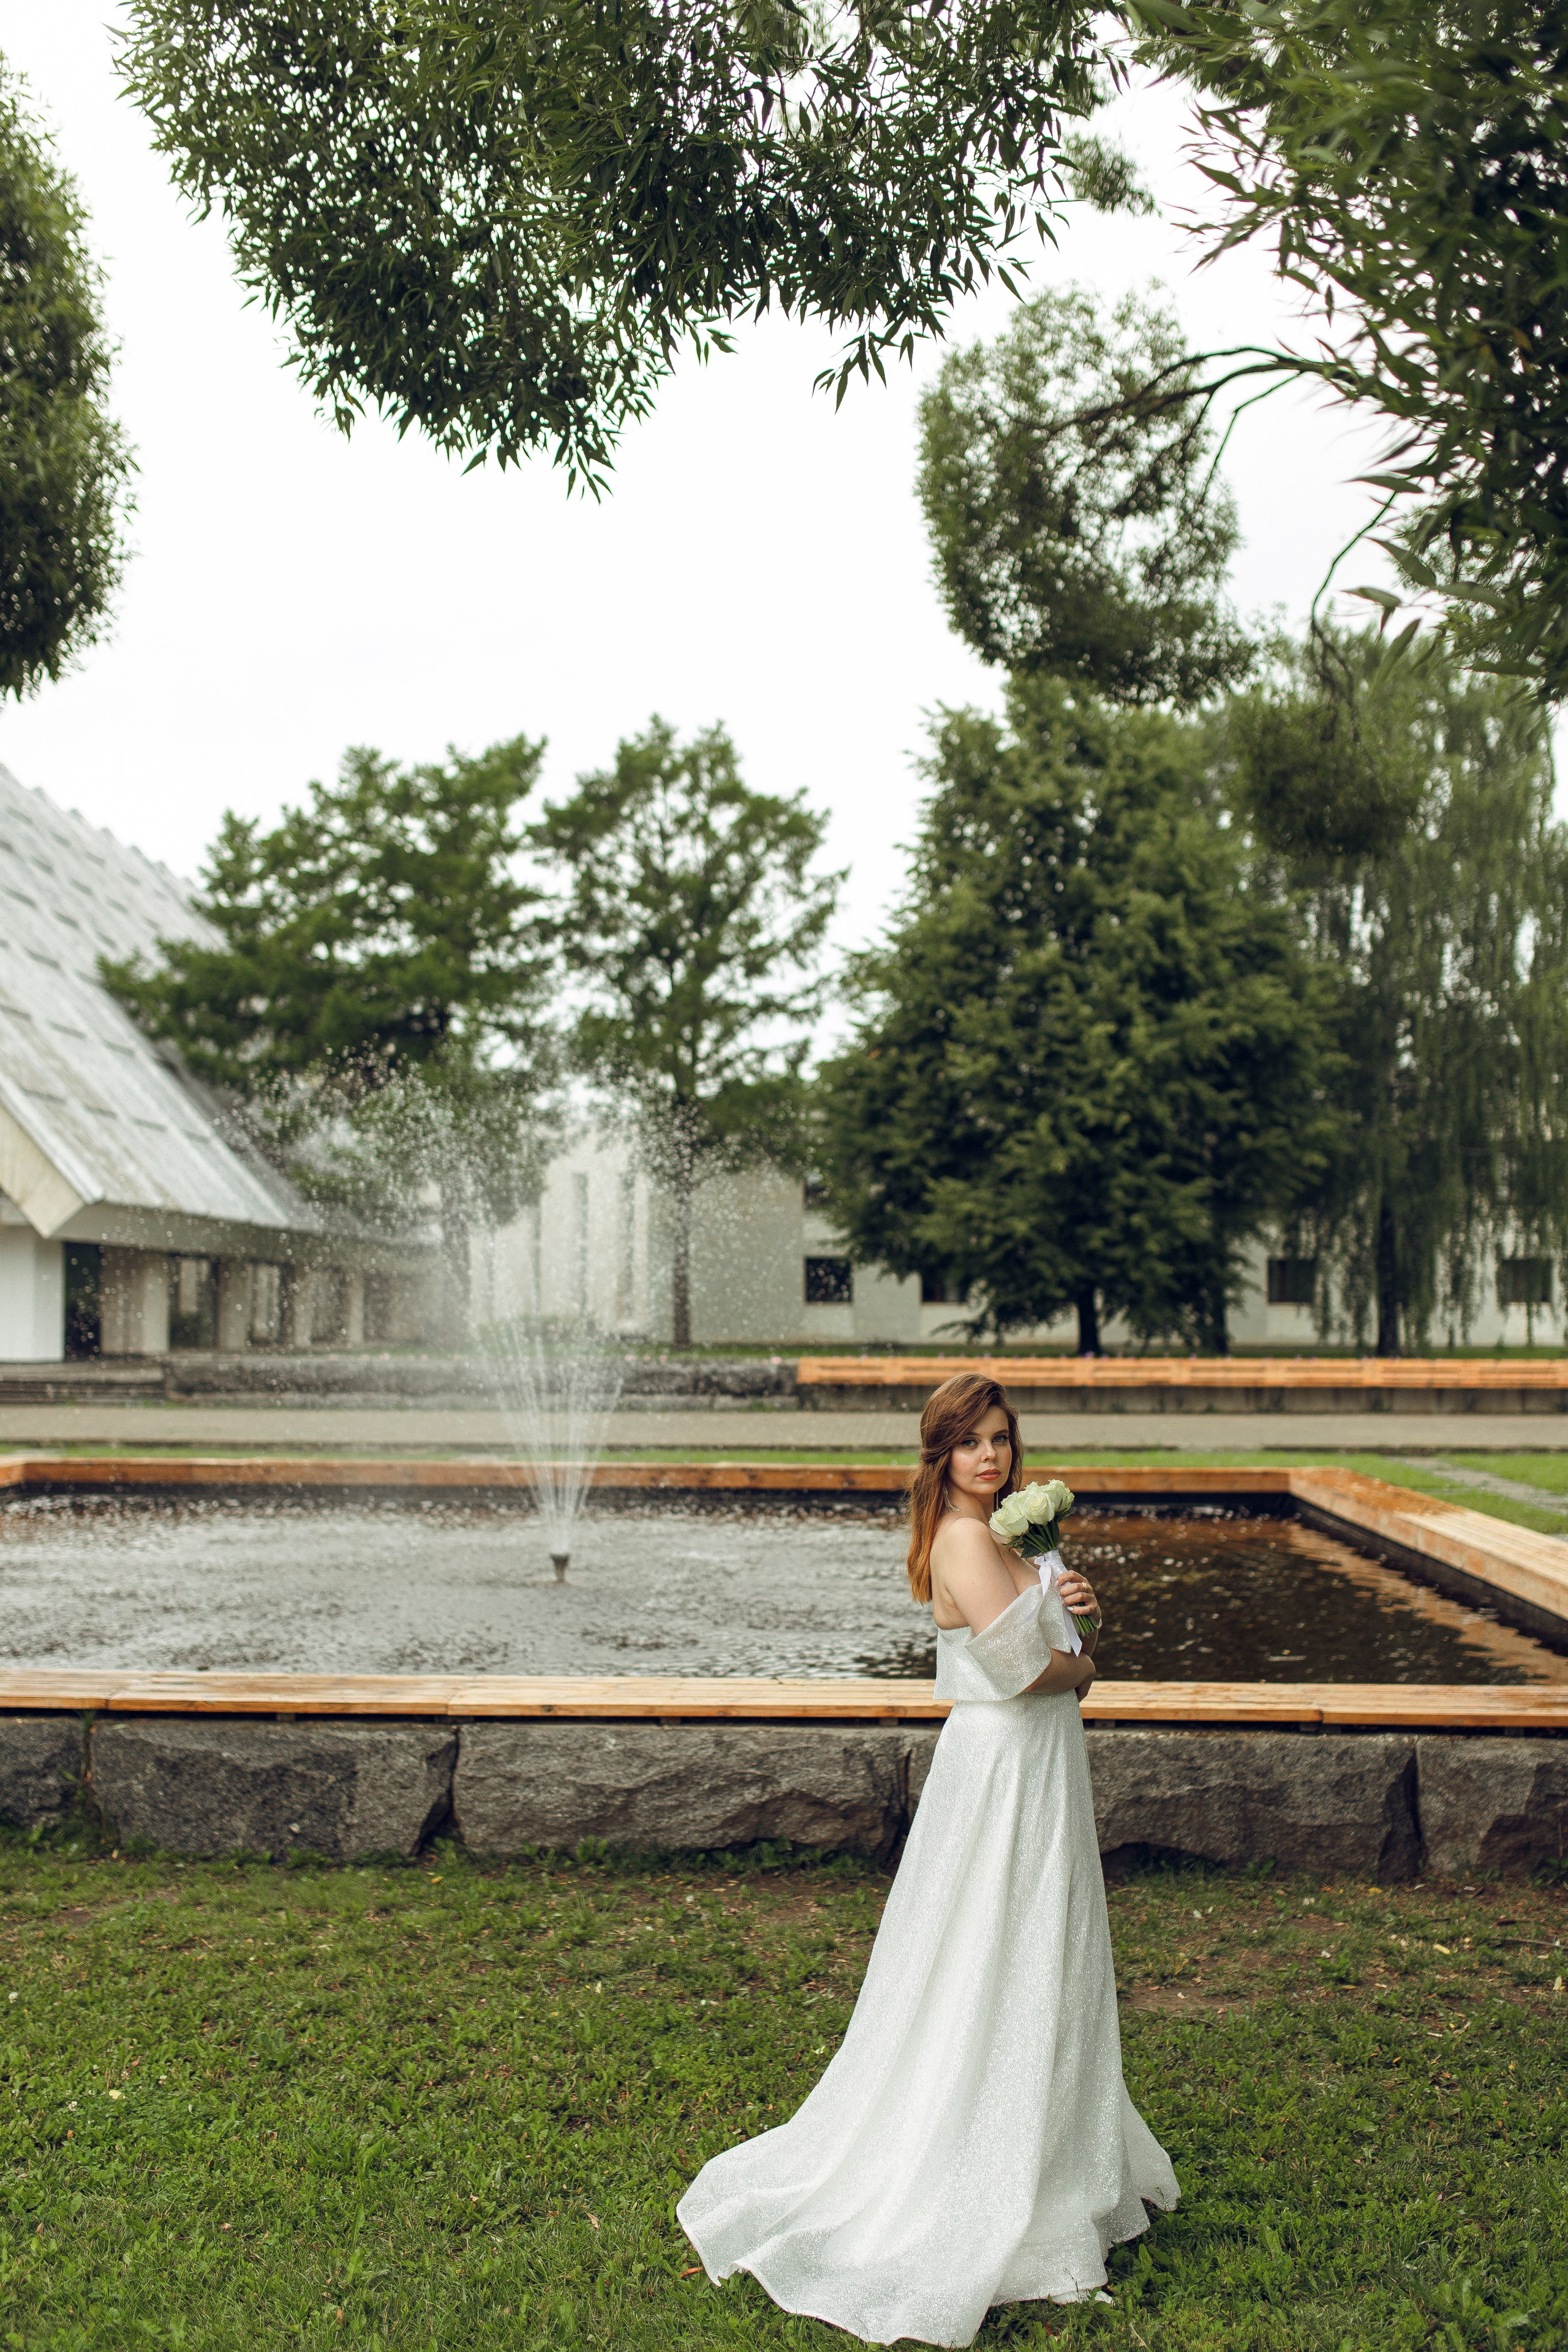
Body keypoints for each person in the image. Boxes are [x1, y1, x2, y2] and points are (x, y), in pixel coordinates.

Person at [678, 1369, 1178, 2346]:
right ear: (940, 1454)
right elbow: (1034, 1672)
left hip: (1030, 1760)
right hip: (1006, 1763)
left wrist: (1064, 1595)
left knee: (1038, 1938)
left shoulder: (995, 1533)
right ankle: (982, 2158)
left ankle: (1048, 2144)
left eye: (1000, 1438)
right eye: (970, 1443)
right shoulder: (960, 1534)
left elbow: (1040, 1638)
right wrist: (1088, 1656)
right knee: (999, 1943)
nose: (990, 1457)